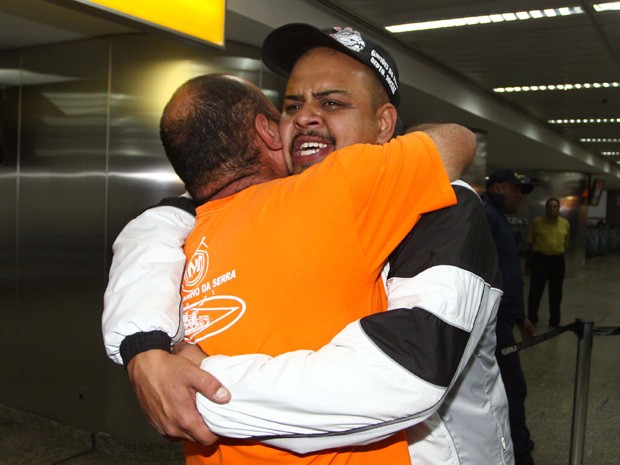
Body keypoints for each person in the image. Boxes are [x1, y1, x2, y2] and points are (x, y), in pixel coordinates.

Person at [103, 23, 512, 465]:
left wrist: (193, 381)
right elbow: (157, 227)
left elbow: (402, 375)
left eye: (332, 102)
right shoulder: (251, 204)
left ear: (383, 125)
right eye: (292, 104)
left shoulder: (446, 207)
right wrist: (144, 348)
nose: (305, 116)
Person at [482, 169, 537, 465]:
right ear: (500, 187)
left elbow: (509, 273)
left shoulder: (497, 216)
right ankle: (519, 451)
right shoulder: (487, 214)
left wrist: (521, 317)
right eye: (516, 190)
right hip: (494, 320)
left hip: (504, 317)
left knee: (510, 384)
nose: (520, 197)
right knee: (511, 386)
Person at [527, 197, 570, 328]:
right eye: (550, 207)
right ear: (546, 208)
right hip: (541, 259)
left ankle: (554, 321)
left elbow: (566, 242)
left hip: (557, 260)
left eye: (555, 206)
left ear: (559, 208)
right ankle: (532, 319)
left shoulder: (565, 223)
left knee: (556, 292)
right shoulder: (537, 222)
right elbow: (530, 242)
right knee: (536, 291)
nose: (553, 209)